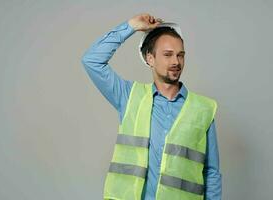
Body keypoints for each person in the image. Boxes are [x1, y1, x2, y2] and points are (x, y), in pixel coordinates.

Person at [81, 13, 222, 200]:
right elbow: (92, 60)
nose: (176, 62)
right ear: (150, 59)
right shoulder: (129, 96)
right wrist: (131, 26)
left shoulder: (203, 108)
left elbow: (211, 172)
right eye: (167, 55)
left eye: (180, 55)